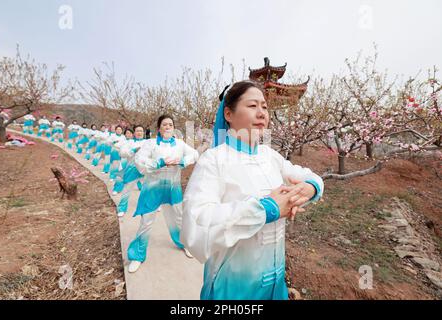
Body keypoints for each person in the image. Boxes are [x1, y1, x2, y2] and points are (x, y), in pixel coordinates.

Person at [180, 81, 324, 300]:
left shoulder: (270, 156)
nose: (262, 113)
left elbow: (307, 176)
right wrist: (266, 210)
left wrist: (309, 189)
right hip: (233, 286)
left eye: (265, 107)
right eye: (252, 106)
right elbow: (197, 225)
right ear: (228, 113)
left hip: (275, 283)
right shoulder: (214, 160)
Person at [127, 115, 199, 273]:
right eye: (164, 124)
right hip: (152, 188)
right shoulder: (151, 143)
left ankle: (183, 244)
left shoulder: (179, 144)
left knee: (178, 218)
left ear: (174, 128)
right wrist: (158, 163)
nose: (168, 127)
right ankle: (137, 256)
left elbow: (194, 154)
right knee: (146, 222)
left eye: (170, 124)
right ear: (159, 128)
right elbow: (139, 160)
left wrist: (182, 162)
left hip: (173, 189)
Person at [113, 125, 146, 217]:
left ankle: (149, 206)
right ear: (134, 133)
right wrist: (133, 150)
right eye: (137, 131)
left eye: (141, 131)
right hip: (132, 170)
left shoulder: (147, 143)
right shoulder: (129, 143)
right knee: (126, 190)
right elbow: (122, 153)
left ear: (143, 133)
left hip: (144, 170)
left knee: (147, 189)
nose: (139, 133)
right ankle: (122, 209)